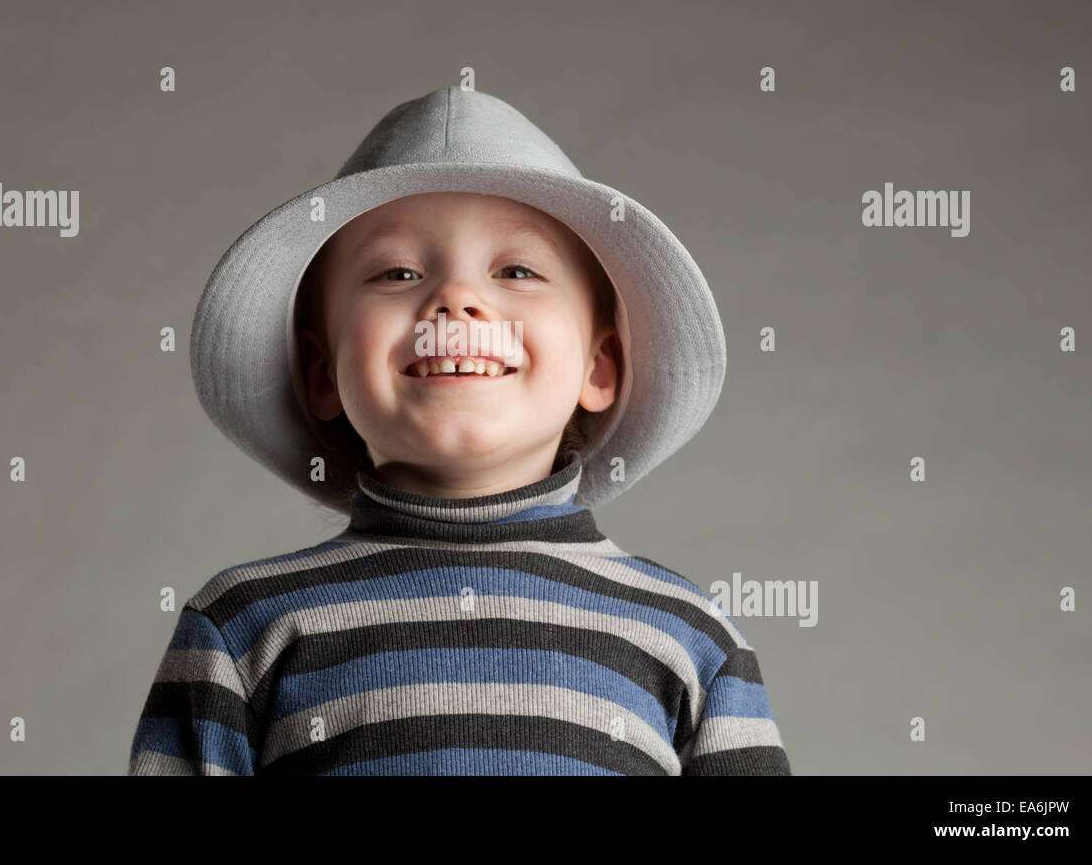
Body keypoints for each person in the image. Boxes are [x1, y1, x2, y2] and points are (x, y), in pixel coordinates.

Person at [128, 85, 791, 775]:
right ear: (322, 373)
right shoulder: (243, 628)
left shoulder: (688, 637)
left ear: (601, 367)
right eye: (397, 272)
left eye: (517, 271)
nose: (456, 300)